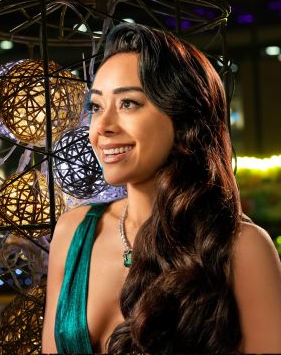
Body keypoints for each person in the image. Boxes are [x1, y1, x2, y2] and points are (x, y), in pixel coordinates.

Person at [41, 22, 281, 354]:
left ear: (182, 119)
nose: (102, 127)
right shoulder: (72, 233)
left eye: (128, 103)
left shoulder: (242, 248)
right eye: (96, 107)